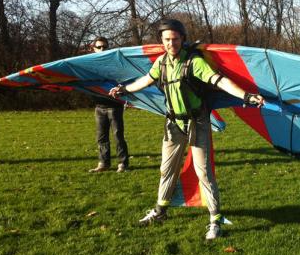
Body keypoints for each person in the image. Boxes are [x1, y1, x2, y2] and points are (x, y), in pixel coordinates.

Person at [109, 19, 265, 240]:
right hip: (173, 124)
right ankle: (160, 211)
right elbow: (145, 81)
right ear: (161, 41)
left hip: (197, 122)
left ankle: (215, 219)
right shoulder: (160, 63)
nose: (171, 43)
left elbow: (220, 81)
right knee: (167, 169)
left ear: (182, 39)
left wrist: (246, 96)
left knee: (203, 172)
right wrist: (123, 89)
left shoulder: (194, 62)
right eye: (167, 40)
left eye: (175, 39)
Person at [89, 37, 130, 173]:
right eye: (99, 47)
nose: (102, 49)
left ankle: (122, 164)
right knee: (101, 137)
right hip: (99, 107)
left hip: (114, 106)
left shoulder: (114, 64)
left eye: (104, 47)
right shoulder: (89, 65)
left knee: (118, 136)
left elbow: (124, 79)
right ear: (93, 49)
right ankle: (103, 163)